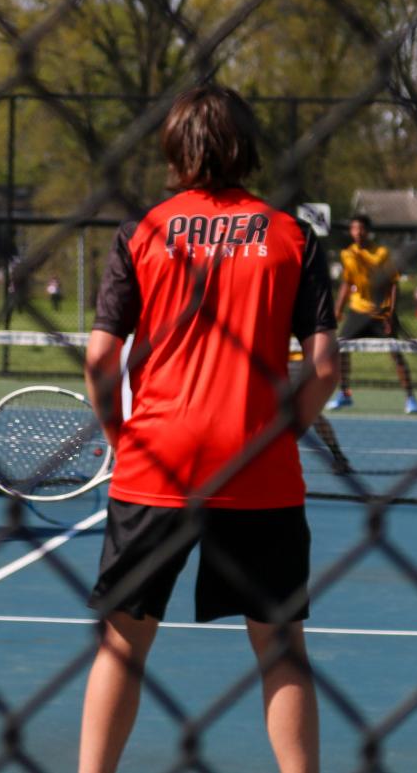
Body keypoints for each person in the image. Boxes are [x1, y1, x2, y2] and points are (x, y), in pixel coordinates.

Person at [80, 84, 338, 773]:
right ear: (245, 145)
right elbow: (325, 366)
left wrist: (118, 436)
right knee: (280, 648)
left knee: (121, 646)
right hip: (259, 464)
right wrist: (285, 429)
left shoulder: (143, 230)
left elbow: (101, 356)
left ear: (174, 147)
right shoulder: (292, 235)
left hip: (154, 460)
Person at [327, 214, 417, 414]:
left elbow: (393, 284)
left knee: (395, 353)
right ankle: (344, 394)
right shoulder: (347, 254)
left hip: (381, 312)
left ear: (368, 232)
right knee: (341, 348)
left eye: (361, 228)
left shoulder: (381, 253)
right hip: (358, 310)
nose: (357, 232)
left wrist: (390, 313)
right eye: (353, 228)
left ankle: (410, 398)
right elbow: (347, 283)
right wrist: (338, 310)